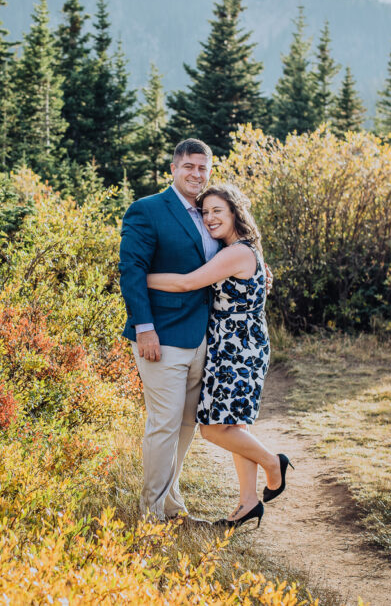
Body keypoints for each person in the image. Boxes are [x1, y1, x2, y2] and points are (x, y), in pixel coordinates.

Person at [147, 183, 291, 528]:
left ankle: (274, 463)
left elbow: (186, 283)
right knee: (234, 424)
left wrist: (140, 276)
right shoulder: (240, 250)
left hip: (238, 350)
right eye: (205, 212)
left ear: (235, 213)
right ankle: (248, 501)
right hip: (233, 345)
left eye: (218, 211)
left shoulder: (236, 253)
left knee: (213, 429)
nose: (210, 218)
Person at [119, 138, 220, 523]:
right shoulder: (148, 210)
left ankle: (173, 505)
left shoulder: (210, 212)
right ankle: (151, 514)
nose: (196, 174)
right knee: (163, 424)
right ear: (173, 169)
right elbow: (132, 271)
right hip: (160, 338)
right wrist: (144, 329)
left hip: (201, 338)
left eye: (203, 168)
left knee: (185, 425)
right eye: (189, 167)